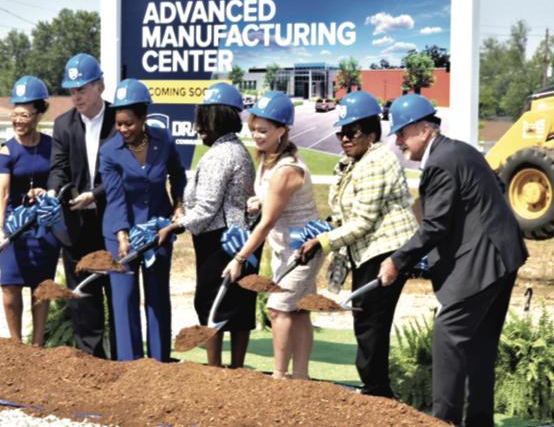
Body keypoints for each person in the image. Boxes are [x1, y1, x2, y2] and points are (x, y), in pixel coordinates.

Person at [379, 94, 528, 427]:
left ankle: (443, 421)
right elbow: (494, 187)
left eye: (402, 133)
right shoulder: (460, 150)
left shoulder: (440, 161)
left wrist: (397, 260)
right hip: (505, 256)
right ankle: (478, 422)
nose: (398, 141)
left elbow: (436, 225)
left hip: (486, 261)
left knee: (448, 334)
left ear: (424, 130)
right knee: (479, 346)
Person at [296, 91, 418, 397]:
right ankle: (375, 386)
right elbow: (348, 212)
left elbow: (363, 222)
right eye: (341, 133)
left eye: (352, 132)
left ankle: (377, 391)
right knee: (366, 318)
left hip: (385, 252)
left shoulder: (376, 162)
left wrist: (322, 242)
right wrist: (327, 227)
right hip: (369, 251)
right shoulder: (357, 160)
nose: (344, 139)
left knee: (370, 321)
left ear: (372, 134)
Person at [221, 91, 323, 380]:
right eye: (253, 128)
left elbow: (265, 225)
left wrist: (240, 258)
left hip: (303, 248)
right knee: (300, 311)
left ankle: (279, 378)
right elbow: (270, 202)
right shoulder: (268, 158)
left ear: (282, 130)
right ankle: (301, 379)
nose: (256, 135)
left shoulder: (286, 169)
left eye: (263, 130)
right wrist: (258, 200)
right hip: (284, 248)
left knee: (277, 309)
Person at [158, 82, 259, 369]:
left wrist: (173, 227)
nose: (198, 128)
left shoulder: (220, 155)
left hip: (220, 241)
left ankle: (215, 371)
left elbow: (206, 209)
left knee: (211, 304)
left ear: (216, 119)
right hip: (236, 237)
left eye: (202, 121)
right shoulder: (234, 149)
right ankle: (236, 370)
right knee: (238, 305)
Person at [99, 79, 187, 362]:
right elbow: (114, 198)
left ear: (143, 117)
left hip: (157, 232)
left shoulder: (164, 139)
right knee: (124, 300)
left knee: (158, 296)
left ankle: (160, 362)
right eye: (119, 124)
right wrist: (123, 236)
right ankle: (130, 366)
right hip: (120, 234)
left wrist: (179, 205)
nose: (123, 129)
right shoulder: (109, 152)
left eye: (129, 123)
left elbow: (178, 175)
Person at [46, 53, 117, 359]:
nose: (75, 96)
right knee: (82, 296)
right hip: (75, 224)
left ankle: (122, 357)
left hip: (111, 222)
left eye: (81, 89)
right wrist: (53, 191)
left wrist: (95, 194)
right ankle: (91, 360)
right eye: (71, 91)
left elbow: (124, 174)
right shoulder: (62, 124)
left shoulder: (119, 121)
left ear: (100, 87)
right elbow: (58, 168)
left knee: (116, 292)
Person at [0, 76, 60, 347]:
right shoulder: (6, 151)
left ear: (39, 114)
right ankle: (15, 345)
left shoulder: (53, 146)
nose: (18, 120)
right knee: (10, 286)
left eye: (25, 114)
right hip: (13, 226)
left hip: (44, 227)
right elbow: (2, 193)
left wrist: (48, 193)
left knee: (42, 288)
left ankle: (37, 346)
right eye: (15, 114)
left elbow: (59, 179)